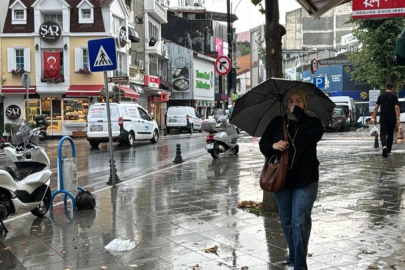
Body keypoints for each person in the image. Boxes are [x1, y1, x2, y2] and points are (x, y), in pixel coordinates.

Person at [259, 89, 324, 270]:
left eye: (299, 101)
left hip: (306, 180)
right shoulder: (277, 123)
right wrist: (274, 145)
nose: (294, 104)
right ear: (285, 104)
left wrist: (300, 115)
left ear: (305, 104)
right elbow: (263, 145)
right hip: (282, 181)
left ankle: (300, 265)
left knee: (299, 220)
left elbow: (315, 135)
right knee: (287, 221)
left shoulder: (312, 123)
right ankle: (295, 254)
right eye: (290, 101)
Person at [372, 82, 400, 157]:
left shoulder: (381, 96)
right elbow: (396, 108)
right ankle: (388, 150)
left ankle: (384, 146)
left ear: (385, 88)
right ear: (392, 88)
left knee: (383, 133)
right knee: (390, 134)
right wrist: (398, 119)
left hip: (383, 118)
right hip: (392, 118)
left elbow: (376, 108)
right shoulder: (394, 97)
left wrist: (374, 118)